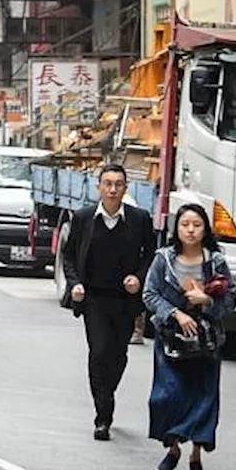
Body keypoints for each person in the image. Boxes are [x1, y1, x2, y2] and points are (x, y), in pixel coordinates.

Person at [61, 163, 157, 441]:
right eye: (107, 184)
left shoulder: (139, 219)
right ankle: (103, 415)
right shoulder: (83, 218)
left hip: (125, 301)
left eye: (118, 184)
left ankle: (107, 392)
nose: (113, 189)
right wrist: (75, 283)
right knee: (99, 351)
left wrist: (139, 278)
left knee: (118, 355)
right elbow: (68, 255)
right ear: (99, 187)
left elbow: (151, 254)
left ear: (126, 188)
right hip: (94, 298)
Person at [143, 203, 236, 470]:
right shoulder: (164, 259)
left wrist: (207, 301)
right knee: (166, 396)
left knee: (203, 396)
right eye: (185, 224)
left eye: (197, 224)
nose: (191, 230)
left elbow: (230, 299)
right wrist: (175, 313)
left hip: (207, 341)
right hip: (171, 339)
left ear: (206, 228)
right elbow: (150, 294)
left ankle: (196, 455)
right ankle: (172, 449)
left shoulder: (216, 262)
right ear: (177, 228)